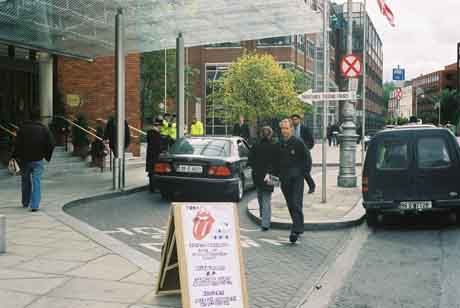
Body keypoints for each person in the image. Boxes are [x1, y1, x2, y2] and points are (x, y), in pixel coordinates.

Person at [12, 111, 55, 212]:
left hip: (25, 159)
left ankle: (25, 202)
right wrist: (46, 155)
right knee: (37, 182)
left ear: (29, 117)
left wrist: (15, 156)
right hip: (38, 159)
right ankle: (35, 205)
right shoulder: (43, 128)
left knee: (25, 181)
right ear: (39, 117)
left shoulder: (22, 128)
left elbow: (17, 144)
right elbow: (51, 143)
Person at [278, 119, 311, 243]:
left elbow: (307, 159)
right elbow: (276, 161)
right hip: (284, 179)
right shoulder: (280, 143)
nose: (284, 131)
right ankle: (299, 226)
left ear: (291, 129)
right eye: (282, 128)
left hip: (297, 179)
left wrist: (302, 173)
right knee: (290, 204)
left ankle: (295, 230)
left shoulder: (298, 142)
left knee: (296, 203)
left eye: (286, 128)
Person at [248, 126, 279, 231]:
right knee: (267, 199)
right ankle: (265, 223)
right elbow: (277, 163)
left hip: (257, 175)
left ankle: (263, 217)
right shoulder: (275, 146)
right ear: (270, 134)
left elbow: (250, 160)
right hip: (270, 176)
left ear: (261, 134)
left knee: (260, 196)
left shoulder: (256, 145)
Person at [291, 114, 315, 194]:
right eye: (293, 119)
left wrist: (306, 148)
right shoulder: (291, 129)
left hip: (304, 153)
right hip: (294, 154)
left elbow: (311, 141)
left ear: (299, 120)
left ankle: (312, 186)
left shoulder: (305, 128)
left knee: (305, 171)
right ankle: (296, 188)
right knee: (295, 171)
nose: (294, 121)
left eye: (296, 119)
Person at [146, 118, 162, 193]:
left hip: (149, 155)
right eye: (160, 126)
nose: (160, 128)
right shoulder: (156, 134)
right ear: (158, 126)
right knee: (154, 171)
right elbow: (158, 146)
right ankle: (154, 188)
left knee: (151, 171)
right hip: (155, 155)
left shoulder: (149, 133)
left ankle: (151, 187)